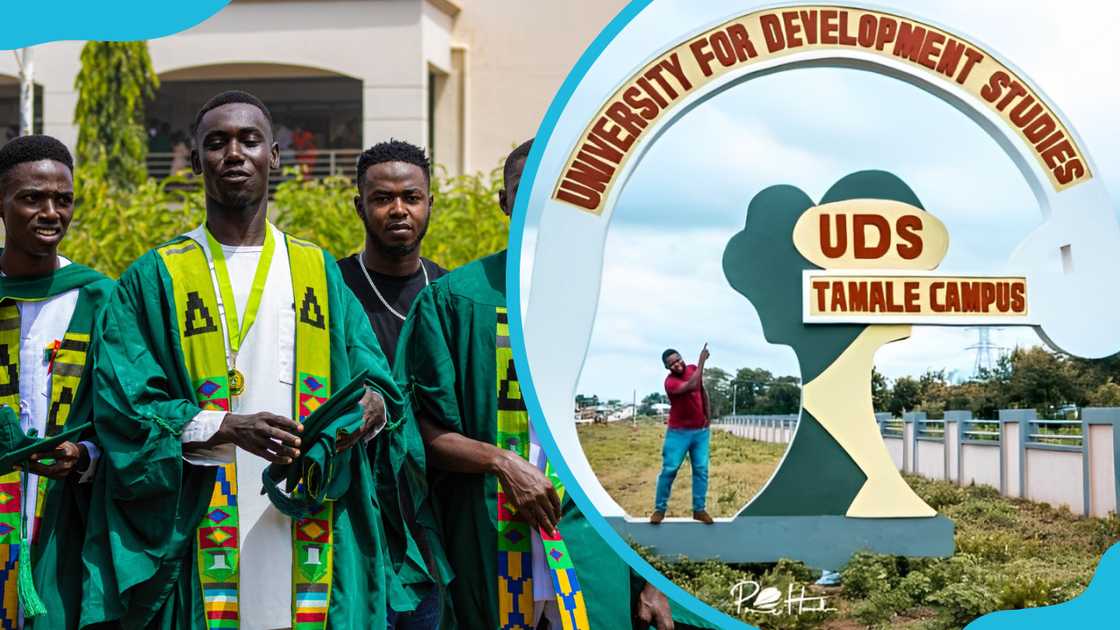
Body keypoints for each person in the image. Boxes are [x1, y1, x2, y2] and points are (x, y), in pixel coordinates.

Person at [80, 90, 430, 629]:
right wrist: (225, 425)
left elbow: (378, 385)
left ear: (276, 156)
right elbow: (124, 405)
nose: (234, 154)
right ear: (196, 161)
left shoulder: (316, 269)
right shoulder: (154, 277)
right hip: (204, 516)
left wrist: (364, 413)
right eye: (216, 142)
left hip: (309, 514)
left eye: (249, 139)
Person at [396, 140, 693, 630]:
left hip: (590, 544)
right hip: (488, 540)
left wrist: (651, 575)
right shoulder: (455, 300)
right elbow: (419, 431)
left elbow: (655, 454)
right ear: (504, 203)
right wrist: (502, 461)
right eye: (524, 192)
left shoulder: (618, 302)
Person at [0, 135, 114, 630]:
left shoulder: (100, 298)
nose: (51, 212)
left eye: (63, 200)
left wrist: (85, 456)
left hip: (65, 521)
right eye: (31, 198)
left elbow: (126, 416)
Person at [339, 139, 448, 366]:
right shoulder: (334, 287)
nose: (399, 210)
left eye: (412, 198)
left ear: (430, 204)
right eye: (383, 199)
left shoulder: (450, 293)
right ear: (360, 207)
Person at [650, 346, 713, 525]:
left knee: (701, 470)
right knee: (669, 470)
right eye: (672, 364)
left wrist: (708, 417)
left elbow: (701, 391)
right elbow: (692, 385)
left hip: (701, 432)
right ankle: (659, 509)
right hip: (678, 433)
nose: (677, 365)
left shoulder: (693, 369)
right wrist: (702, 360)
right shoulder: (670, 383)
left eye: (678, 360)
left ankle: (699, 510)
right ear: (667, 368)